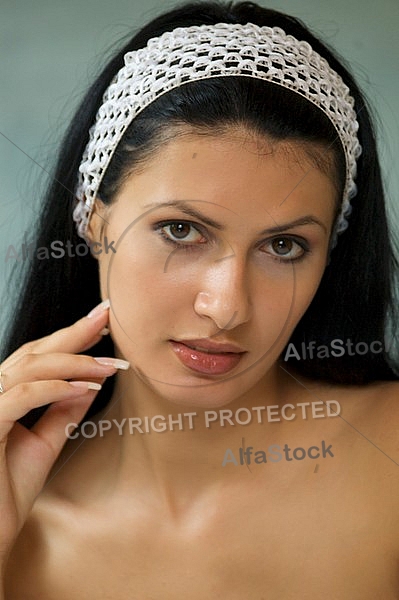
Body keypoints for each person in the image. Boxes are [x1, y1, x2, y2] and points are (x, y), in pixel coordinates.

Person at [1, 0, 399, 596]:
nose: (227, 306)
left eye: (285, 246)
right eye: (181, 231)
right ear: (95, 217)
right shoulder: (19, 525)